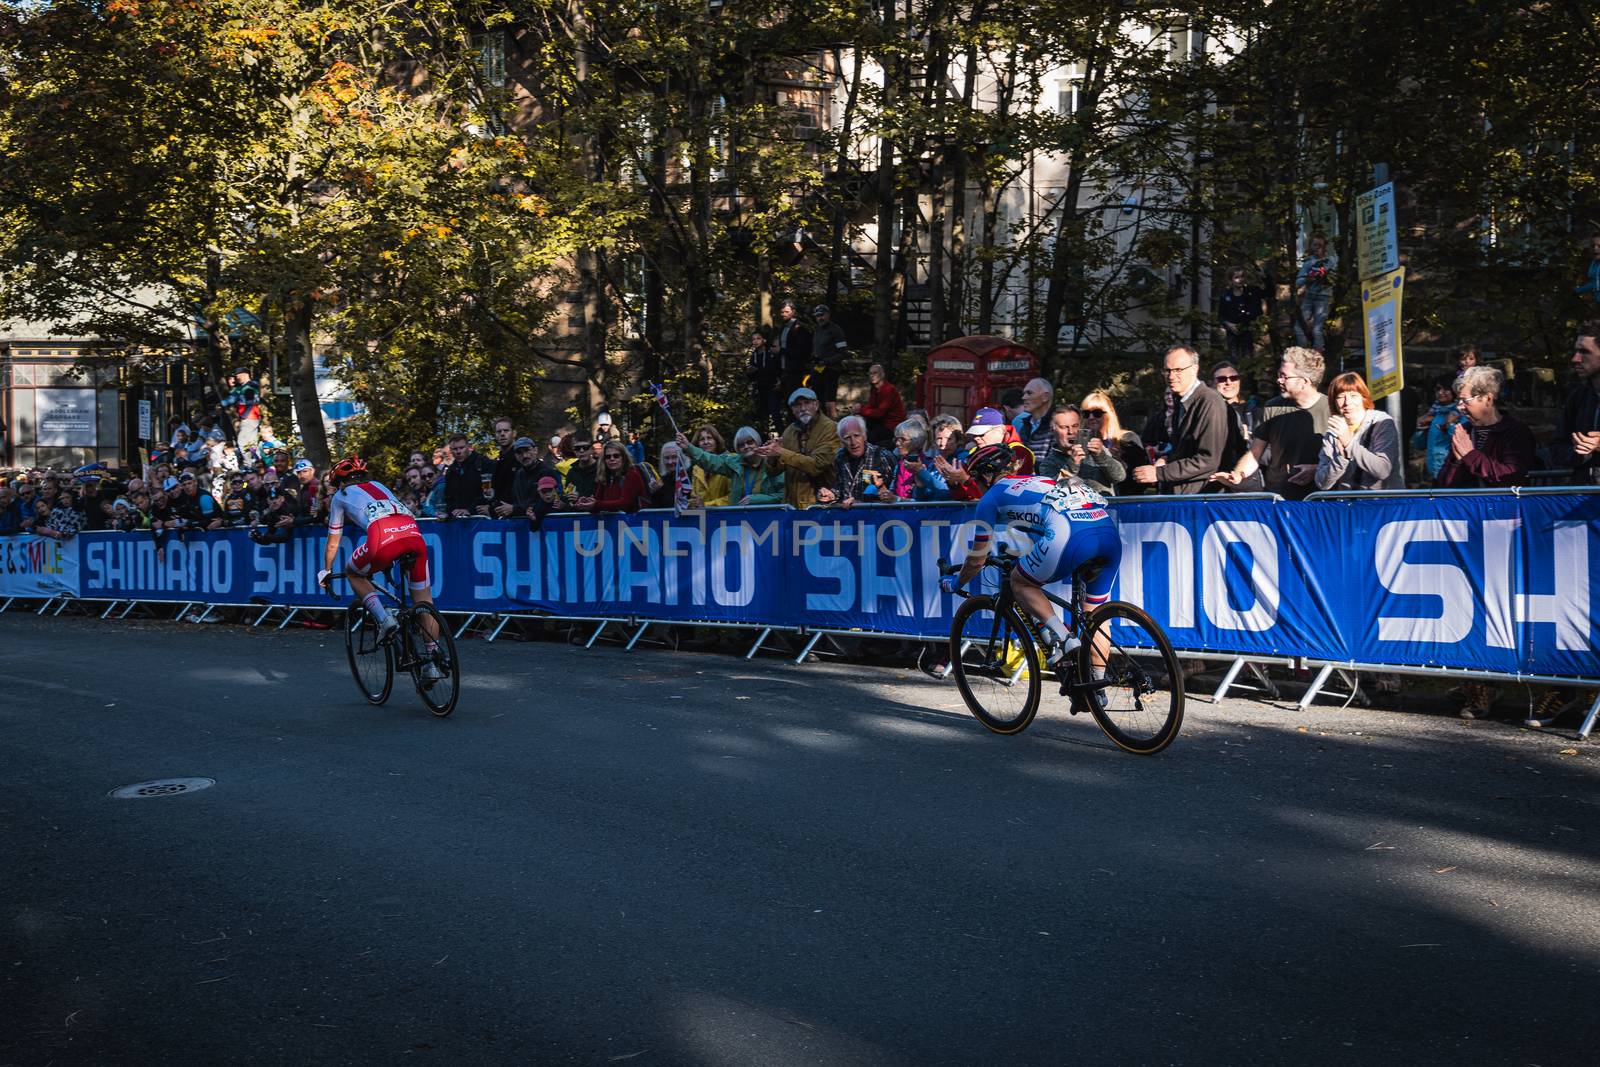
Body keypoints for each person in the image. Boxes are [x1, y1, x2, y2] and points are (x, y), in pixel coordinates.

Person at [941, 444, 1121, 673]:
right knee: (1096, 618)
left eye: (976, 478)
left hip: (1071, 535)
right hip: (1107, 532)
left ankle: (1063, 637)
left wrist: (956, 583)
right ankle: (1097, 687)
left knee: (1020, 582)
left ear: (987, 474)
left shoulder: (990, 498)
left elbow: (977, 559)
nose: (976, 484)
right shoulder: (1039, 479)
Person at [317, 457, 445, 682]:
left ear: (339, 483)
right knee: (424, 602)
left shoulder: (340, 496)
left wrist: (325, 570)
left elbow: (333, 543)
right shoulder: (380, 486)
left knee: (353, 572)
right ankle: (433, 661)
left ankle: (384, 619)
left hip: (382, 539)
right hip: (414, 536)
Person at [1213, 346, 1329, 500]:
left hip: (1318, 499)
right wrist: (1238, 475)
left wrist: (1316, 469)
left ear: (1304, 382)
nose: (1278, 380)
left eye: (1284, 376)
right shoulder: (1272, 405)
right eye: (1279, 374)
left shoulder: (1332, 409)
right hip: (1277, 497)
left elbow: (1344, 460)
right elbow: (1255, 453)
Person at [1134, 345, 1229, 494]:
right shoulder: (1181, 401)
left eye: (1178, 370)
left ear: (1194, 369)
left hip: (1201, 499)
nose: (1171, 376)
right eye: (1167, 370)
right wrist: (1165, 460)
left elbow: (1208, 460)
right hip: (1181, 495)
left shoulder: (1209, 401)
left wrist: (1160, 473)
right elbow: (1183, 452)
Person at [1435, 366, 1536, 489]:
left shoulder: (1515, 431)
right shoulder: (1466, 431)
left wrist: (1470, 455)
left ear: (1487, 399)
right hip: (1468, 506)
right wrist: (1457, 462)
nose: (1459, 407)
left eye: (1465, 400)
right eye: (1458, 401)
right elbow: (1445, 484)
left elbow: (1511, 478)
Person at [1315, 372, 1404, 490]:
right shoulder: (1334, 431)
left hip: (1382, 503)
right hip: (1349, 504)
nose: (1347, 402)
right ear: (1334, 402)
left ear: (1363, 397)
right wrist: (1341, 458)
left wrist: (1349, 444)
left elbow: (1383, 470)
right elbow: (1322, 483)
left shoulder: (1381, 422)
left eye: (1353, 395)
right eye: (1341, 397)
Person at [754, 386, 840, 508]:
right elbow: (773, 472)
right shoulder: (789, 431)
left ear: (816, 405)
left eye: (807, 403)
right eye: (798, 405)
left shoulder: (831, 429)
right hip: (792, 505)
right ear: (793, 410)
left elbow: (817, 465)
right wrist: (771, 457)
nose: (803, 408)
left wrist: (780, 452)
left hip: (821, 504)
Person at [676, 427, 786, 505]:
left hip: (769, 520)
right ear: (737, 448)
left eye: (750, 442)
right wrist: (688, 447)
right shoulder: (734, 463)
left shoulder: (772, 463)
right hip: (738, 521)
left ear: (758, 442)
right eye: (741, 445)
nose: (746, 446)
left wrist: (757, 500)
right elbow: (710, 461)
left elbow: (784, 494)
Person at [1548, 321, 1600, 486]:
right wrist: (1581, 452)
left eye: (1584, 352)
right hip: (1585, 496)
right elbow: (1557, 449)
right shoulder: (1578, 397)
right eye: (1576, 351)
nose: (1575, 358)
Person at [818, 415, 900, 507]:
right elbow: (840, 488)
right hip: (848, 517)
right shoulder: (839, 457)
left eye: (856, 435)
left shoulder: (882, 455)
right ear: (841, 441)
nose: (853, 442)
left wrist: (888, 495)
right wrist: (831, 495)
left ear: (864, 436)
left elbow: (898, 491)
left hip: (878, 517)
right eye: (847, 438)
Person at [1078, 392, 1147, 496]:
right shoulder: (1081, 444)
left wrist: (1118, 462)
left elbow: (1140, 479)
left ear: (1109, 414)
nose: (1091, 417)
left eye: (1097, 413)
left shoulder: (1128, 440)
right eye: (1086, 413)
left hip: (1124, 502)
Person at [1411, 375, 1460, 484]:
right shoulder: (1434, 415)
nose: (1441, 392)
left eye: (1446, 389)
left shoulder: (1461, 414)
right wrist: (1420, 428)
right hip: (1434, 472)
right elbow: (1419, 445)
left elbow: (1461, 442)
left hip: (1453, 472)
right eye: (1438, 389)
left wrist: (1450, 425)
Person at [890, 419, 949, 501]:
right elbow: (893, 490)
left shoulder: (929, 464)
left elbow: (928, 498)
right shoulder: (899, 464)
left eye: (902, 439)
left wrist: (898, 500)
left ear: (916, 441)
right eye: (896, 439)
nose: (897, 443)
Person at [442, 433, 497, 518]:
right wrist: (450, 513)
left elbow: (488, 492)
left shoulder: (483, 463)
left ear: (468, 446)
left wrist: (469, 510)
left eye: (461, 448)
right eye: (455, 449)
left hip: (480, 517)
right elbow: (449, 497)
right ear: (451, 450)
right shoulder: (450, 471)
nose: (458, 452)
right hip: (457, 519)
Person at [809, 304, 849, 418]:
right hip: (817, 370)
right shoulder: (817, 330)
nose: (820, 318)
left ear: (828, 315)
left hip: (831, 371)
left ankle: (834, 431)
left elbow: (843, 352)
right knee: (817, 403)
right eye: (817, 316)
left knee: (829, 403)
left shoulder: (835, 330)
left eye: (822, 315)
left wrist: (826, 361)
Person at [1295, 234, 1334, 349]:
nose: (1317, 248)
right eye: (1315, 245)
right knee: (1299, 327)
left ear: (1324, 247)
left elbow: (1329, 274)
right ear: (1311, 247)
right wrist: (1307, 278)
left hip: (1323, 297)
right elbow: (1298, 281)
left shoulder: (1330, 260)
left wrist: (1322, 272)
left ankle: (1317, 359)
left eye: (1320, 245)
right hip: (1309, 296)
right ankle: (1301, 354)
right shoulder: (1308, 263)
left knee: (1317, 330)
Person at [1218, 267, 1265, 362]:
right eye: (1237, 277)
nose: (1240, 280)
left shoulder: (1252, 292)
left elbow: (1269, 292)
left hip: (1250, 331)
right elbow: (1221, 316)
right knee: (1233, 359)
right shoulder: (1225, 296)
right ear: (1231, 280)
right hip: (1233, 332)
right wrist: (1229, 324)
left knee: (1249, 360)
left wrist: (1264, 277)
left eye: (1242, 276)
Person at [589, 440, 650, 512]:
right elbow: (598, 501)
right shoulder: (604, 477)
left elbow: (624, 503)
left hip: (633, 521)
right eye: (608, 457)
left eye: (616, 456)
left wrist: (596, 504)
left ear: (623, 457)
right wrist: (586, 502)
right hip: (610, 522)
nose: (612, 459)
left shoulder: (632, 474)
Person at [746, 325, 784, 438]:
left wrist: (780, 381)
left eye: (758, 338)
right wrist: (750, 372)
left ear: (764, 340)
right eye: (753, 339)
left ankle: (784, 438)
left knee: (775, 415)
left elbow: (776, 369)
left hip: (772, 388)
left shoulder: (771, 353)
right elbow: (752, 376)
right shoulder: (754, 356)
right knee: (762, 417)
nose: (755, 341)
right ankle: (764, 440)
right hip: (760, 389)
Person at [858, 363, 906, 446]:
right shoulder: (875, 389)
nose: (872, 375)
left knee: (867, 438)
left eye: (875, 373)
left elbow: (879, 413)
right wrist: (860, 409)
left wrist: (860, 410)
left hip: (893, 426)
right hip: (882, 422)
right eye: (870, 373)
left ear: (882, 374)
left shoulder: (888, 389)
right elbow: (871, 406)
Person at [775, 299, 812, 402]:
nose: (783, 314)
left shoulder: (799, 328)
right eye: (782, 312)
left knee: (795, 400)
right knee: (787, 401)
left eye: (787, 312)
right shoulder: (783, 327)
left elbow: (802, 352)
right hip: (784, 371)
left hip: (796, 372)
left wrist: (781, 350)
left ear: (794, 312)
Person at [685, 425, 732, 507]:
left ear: (716, 441)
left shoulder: (729, 461)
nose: (706, 442)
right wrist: (688, 503)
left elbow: (734, 497)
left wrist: (707, 505)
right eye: (702, 439)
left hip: (726, 515)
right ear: (697, 444)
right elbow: (695, 497)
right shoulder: (696, 468)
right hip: (703, 517)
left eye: (709, 438)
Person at [1012, 378, 1054, 464]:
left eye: (1029, 393)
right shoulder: (1025, 424)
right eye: (1024, 394)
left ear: (1045, 397)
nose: (1024, 397)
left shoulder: (1057, 424)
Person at [223, 367, 262, 452]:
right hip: (252, 418)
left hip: (249, 418)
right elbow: (232, 398)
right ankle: (256, 463)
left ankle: (250, 464)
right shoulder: (246, 386)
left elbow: (250, 403)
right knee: (251, 444)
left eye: (238, 376)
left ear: (245, 375)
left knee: (243, 443)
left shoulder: (249, 387)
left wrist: (244, 416)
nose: (237, 378)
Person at [489, 416, 520, 504]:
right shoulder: (498, 462)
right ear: (495, 435)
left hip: (517, 512)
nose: (502, 434)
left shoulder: (520, 457)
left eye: (506, 431)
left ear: (514, 433)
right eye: (499, 431)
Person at [1576, 234, 1600, 306]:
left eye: (1599, 246)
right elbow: (1594, 283)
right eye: (1593, 246)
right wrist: (1576, 291)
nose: (1595, 248)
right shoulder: (1594, 264)